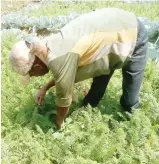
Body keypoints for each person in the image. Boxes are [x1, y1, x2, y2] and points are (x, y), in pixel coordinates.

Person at [10, 8, 148, 129]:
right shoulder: (50, 45)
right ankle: (91, 104)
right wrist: (45, 87)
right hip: (108, 37)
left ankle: (134, 125)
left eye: (31, 74)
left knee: (129, 103)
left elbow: (64, 99)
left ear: (37, 66)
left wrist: (59, 124)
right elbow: (65, 75)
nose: (33, 77)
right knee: (92, 98)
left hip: (132, 33)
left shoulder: (59, 59)